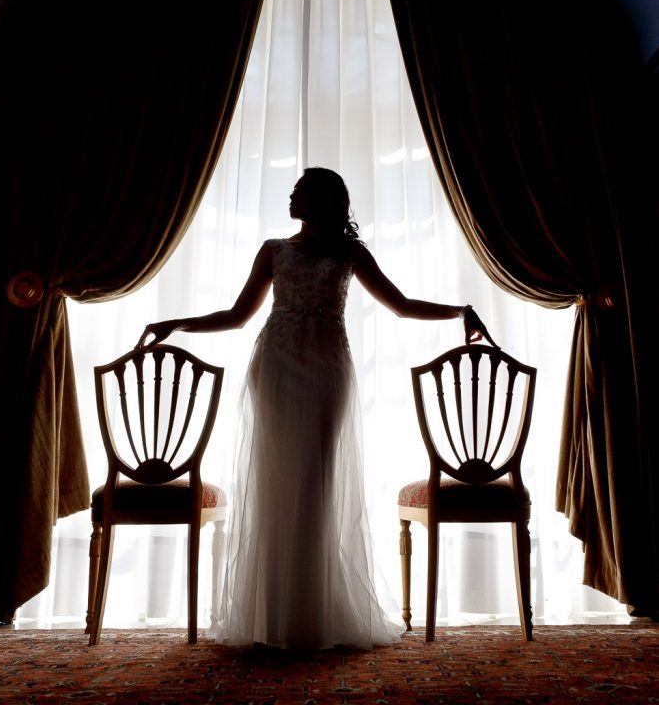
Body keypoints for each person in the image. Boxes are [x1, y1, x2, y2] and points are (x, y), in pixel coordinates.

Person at [137, 167, 495, 650]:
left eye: (299, 190)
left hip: (327, 368)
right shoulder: (273, 251)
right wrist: (176, 324)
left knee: (316, 482)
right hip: (276, 367)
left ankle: (314, 612)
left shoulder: (349, 253)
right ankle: (273, 616)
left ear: (324, 200)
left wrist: (460, 312)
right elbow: (237, 316)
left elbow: (402, 305)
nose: (290, 195)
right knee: (276, 480)